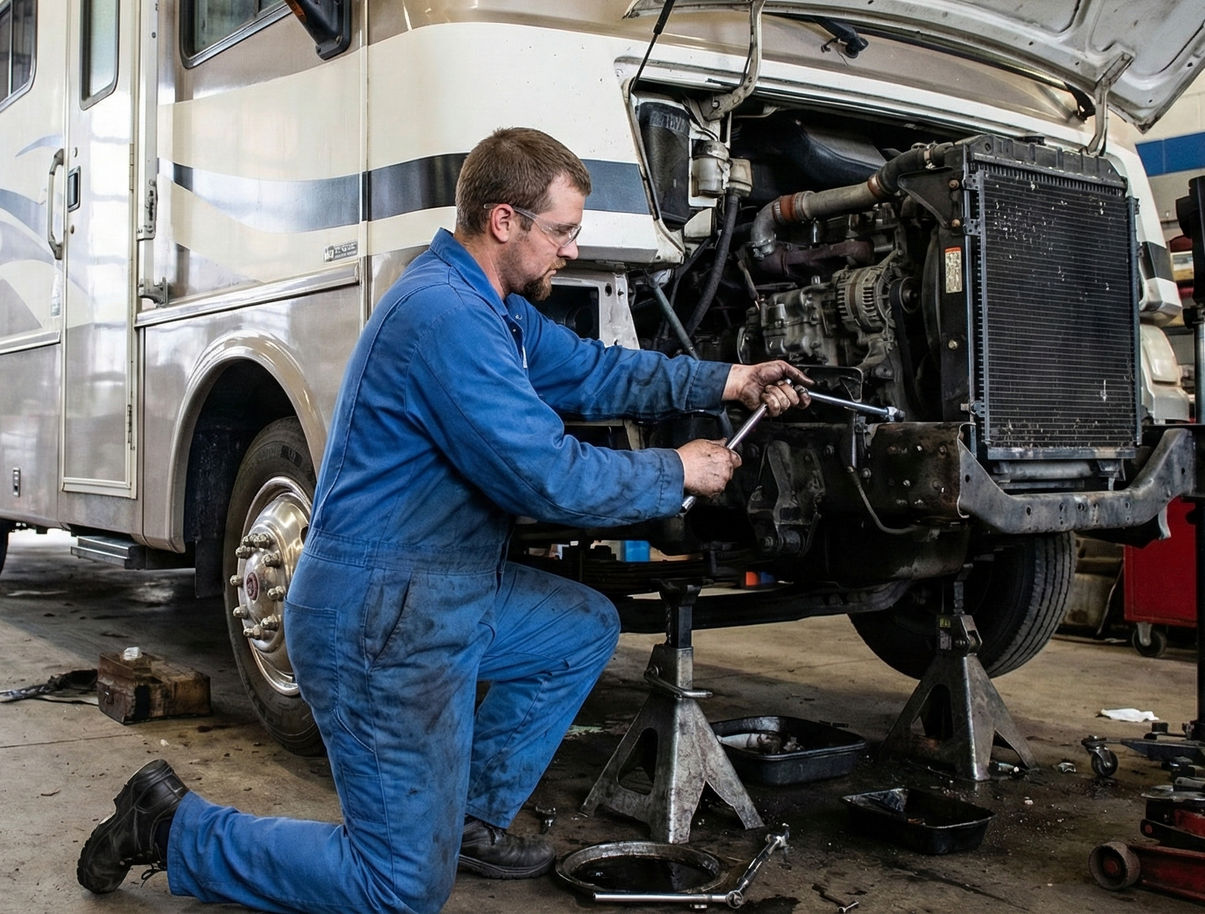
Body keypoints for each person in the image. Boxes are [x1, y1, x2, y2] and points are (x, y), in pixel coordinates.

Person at [77, 127, 808, 912]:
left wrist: (728, 378)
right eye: (561, 231)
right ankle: (172, 825)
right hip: (378, 620)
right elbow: (547, 476)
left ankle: (463, 820)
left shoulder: (494, 309)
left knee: (579, 629)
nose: (570, 250)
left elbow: (597, 371)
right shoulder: (444, 317)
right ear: (503, 221)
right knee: (397, 887)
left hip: (441, 592)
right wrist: (678, 471)